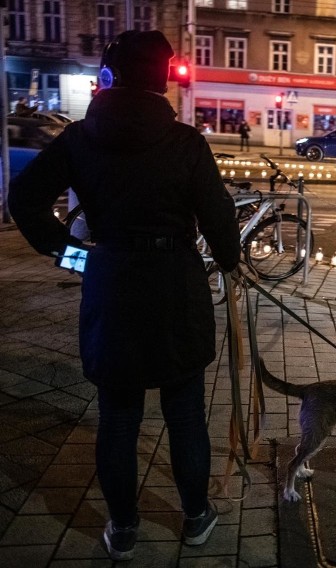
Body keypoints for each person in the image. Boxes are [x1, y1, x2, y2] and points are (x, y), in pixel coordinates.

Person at [9, 30, 240, 562]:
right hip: (175, 288)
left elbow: (24, 198)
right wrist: (231, 262)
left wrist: (74, 256)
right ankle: (196, 515)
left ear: (110, 76)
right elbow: (220, 220)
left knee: (117, 416)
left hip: (111, 282)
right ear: (162, 81)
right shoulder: (186, 142)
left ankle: (124, 527)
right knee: (184, 414)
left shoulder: (79, 139)